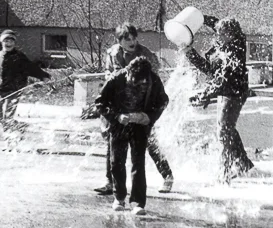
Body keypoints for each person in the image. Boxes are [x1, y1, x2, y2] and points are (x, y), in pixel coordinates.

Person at [92, 22, 174, 196]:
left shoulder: (146, 55)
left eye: (134, 37)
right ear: (119, 40)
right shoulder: (113, 53)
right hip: (120, 105)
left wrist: (148, 113)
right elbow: (110, 78)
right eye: (127, 39)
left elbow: (155, 82)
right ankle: (110, 182)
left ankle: (167, 175)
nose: (132, 41)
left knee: (148, 141)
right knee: (112, 141)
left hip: (141, 104)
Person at [94, 56, 169, 216]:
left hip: (140, 126)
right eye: (134, 82)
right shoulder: (116, 78)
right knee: (117, 162)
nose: (138, 85)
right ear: (128, 72)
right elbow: (100, 103)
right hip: (118, 125)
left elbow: (163, 101)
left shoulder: (153, 80)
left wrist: (149, 116)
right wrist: (116, 116)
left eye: (142, 83)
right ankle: (119, 197)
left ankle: (137, 202)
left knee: (138, 164)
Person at [183, 15, 254, 184]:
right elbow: (209, 69)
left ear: (230, 34)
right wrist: (199, 18)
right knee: (226, 128)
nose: (217, 36)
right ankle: (243, 163)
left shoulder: (235, 48)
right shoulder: (223, 45)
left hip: (234, 92)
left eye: (220, 33)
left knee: (224, 131)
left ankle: (225, 170)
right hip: (225, 91)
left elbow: (223, 79)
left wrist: (205, 94)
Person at [0, 29, 51, 151]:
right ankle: (21, 128)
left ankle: (11, 143)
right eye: (6, 41)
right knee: (1, 118)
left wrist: (43, 76)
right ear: (1, 42)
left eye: (11, 41)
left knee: (7, 116)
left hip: (14, 89)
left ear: (14, 43)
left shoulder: (19, 56)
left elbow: (30, 67)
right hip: (0, 91)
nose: (8, 43)